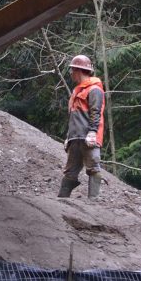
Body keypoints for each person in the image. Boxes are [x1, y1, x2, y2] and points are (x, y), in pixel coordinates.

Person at [58, 54, 106, 199]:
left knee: (93, 167)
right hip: (75, 137)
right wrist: (68, 137)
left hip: (88, 137)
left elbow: (96, 112)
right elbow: (73, 117)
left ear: (79, 70)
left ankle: (94, 201)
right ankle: (61, 201)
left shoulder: (94, 90)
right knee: (70, 171)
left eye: (72, 70)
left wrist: (92, 131)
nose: (71, 73)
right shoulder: (77, 91)